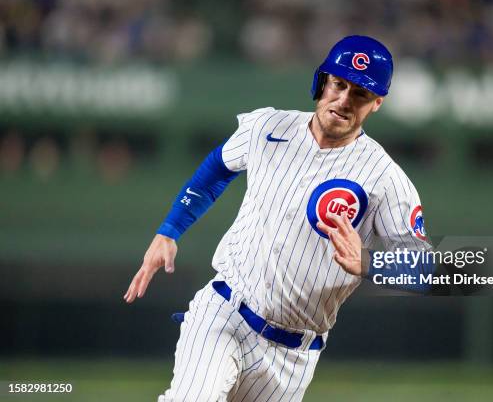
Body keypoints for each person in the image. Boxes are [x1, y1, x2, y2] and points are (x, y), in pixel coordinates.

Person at [124, 35, 433, 401]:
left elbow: (426, 269)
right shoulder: (267, 127)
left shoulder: (385, 178)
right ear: (322, 82)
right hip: (224, 313)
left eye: (360, 93)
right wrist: (170, 229)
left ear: (377, 103)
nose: (344, 99)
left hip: (294, 355)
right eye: (339, 84)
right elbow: (217, 168)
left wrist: (367, 262)